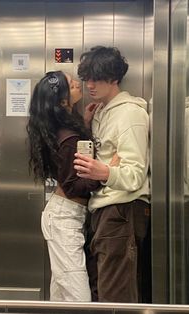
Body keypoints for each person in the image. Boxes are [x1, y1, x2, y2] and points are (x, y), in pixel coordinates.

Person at [73, 46, 150, 303]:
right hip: (104, 210)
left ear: (114, 78)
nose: (90, 85)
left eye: (97, 78)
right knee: (103, 292)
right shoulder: (102, 112)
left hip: (122, 209)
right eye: (87, 79)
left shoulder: (130, 113)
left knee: (115, 296)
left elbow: (135, 174)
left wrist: (104, 171)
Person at [26, 70, 100, 302]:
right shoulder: (68, 137)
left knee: (61, 296)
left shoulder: (62, 128)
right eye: (71, 83)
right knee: (79, 299)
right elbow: (73, 186)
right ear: (62, 99)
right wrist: (106, 173)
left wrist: (85, 123)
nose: (78, 84)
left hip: (63, 217)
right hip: (63, 219)